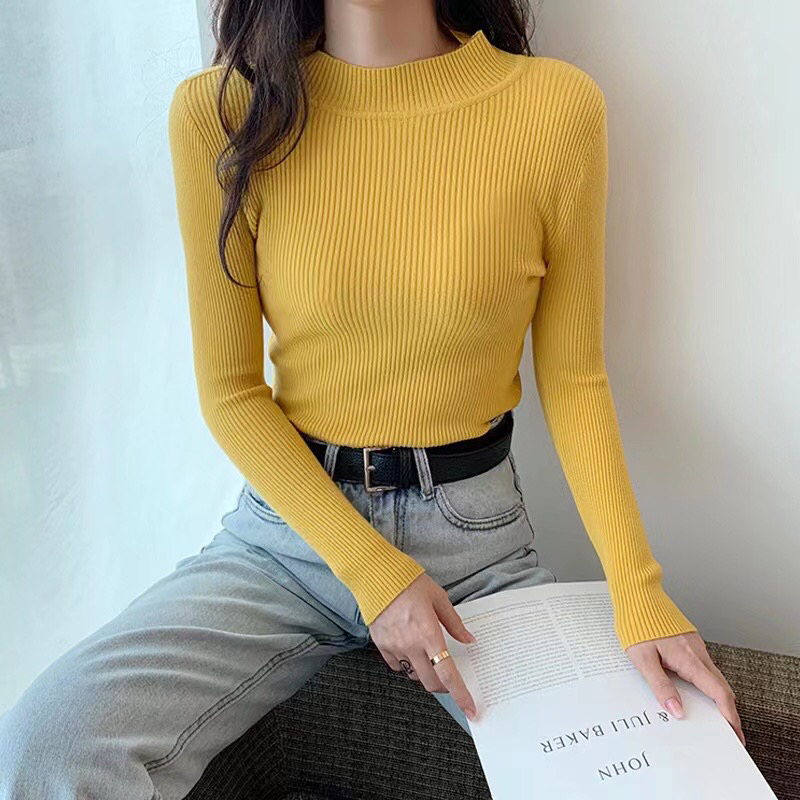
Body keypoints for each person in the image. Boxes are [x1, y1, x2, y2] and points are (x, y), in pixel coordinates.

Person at [0, 2, 744, 797]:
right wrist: (374, 573)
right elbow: (231, 393)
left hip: (476, 553)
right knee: (49, 744)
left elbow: (576, 379)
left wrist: (639, 592)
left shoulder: (553, 107)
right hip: (288, 544)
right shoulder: (223, 114)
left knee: (672, 771)